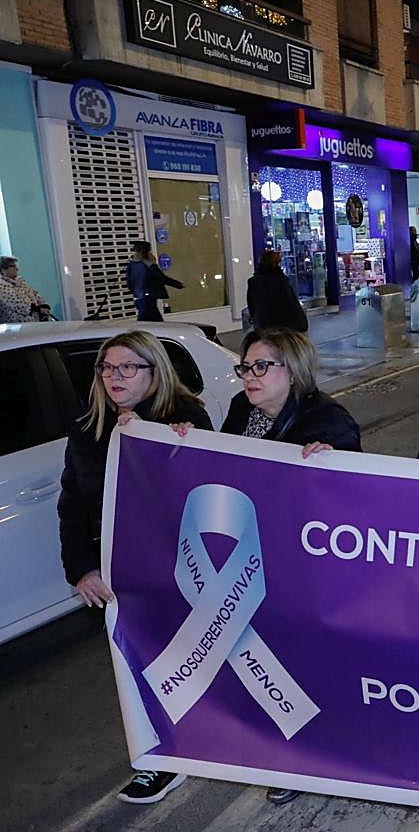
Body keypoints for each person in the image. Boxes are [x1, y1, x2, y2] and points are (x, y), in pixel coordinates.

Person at [58, 330, 213, 805]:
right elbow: (73, 505)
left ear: (154, 371)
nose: (115, 376)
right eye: (107, 367)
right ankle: (161, 758)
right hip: (117, 574)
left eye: (129, 367)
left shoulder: (185, 419)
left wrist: (155, 441)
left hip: (174, 571)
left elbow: (202, 494)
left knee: (184, 665)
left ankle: (200, 746)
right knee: (137, 668)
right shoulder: (88, 428)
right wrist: (82, 569)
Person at [220, 328, 361, 452]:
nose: (248, 376)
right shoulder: (241, 404)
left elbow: (352, 470)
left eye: (261, 367)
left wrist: (328, 459)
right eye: (245, 367)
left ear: (293, 373)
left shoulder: (329, 422)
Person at [246, 250, 308, 333]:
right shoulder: (281, 280)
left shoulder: (253, 281)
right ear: (276, 263)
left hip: (262, 324)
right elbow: (289, 302)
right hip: (281, 324)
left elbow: (251, 304)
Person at [125, 241, 182, 322]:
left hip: (138, 299)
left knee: (150, 321)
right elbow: (161, 278)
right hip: (147, 299)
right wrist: (179, 285)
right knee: (151, 322)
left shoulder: (131, 266)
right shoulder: (149, 266)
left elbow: (129, 283)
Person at [0, 255, 50, 322]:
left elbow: (35, 293)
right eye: (13, 266)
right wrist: (38, 309)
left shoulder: (21, 281)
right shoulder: (2, 286)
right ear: (3, 269)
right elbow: (17, 304)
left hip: (36, 320)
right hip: (18, 324)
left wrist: (44, 305)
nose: (17, 269)